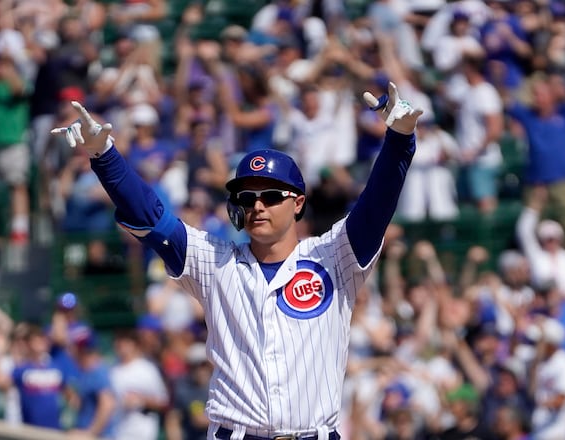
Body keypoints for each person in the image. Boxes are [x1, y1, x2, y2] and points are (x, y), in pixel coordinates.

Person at [51, 81, 423, 438]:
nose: (257, 205)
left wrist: (399, 142)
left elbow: (376, 206)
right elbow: (151, 216)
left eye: (271, 195)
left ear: (297, 203)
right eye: (246, 198)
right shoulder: (214, 262)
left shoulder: (332, 255)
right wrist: (105, 157)